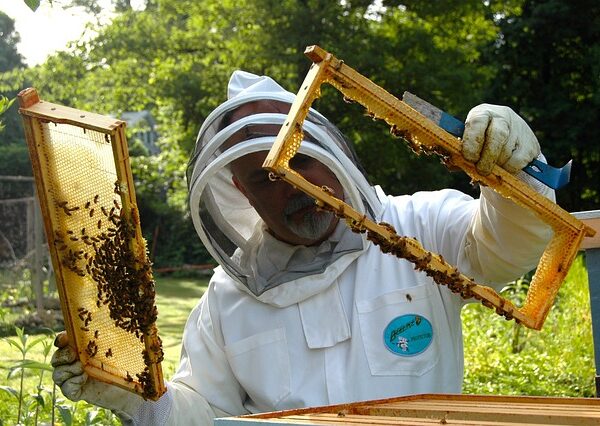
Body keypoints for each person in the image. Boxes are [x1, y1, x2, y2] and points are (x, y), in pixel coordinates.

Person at [51, 70, 555, 425]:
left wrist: (515, 178)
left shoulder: (417, 226)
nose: (292, 186)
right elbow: (205, 416)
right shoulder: (227, 302)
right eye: (266, 178)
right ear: (241, 191)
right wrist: (139, 400)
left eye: (299, 161)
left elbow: (508, 247)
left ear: (326, 149)